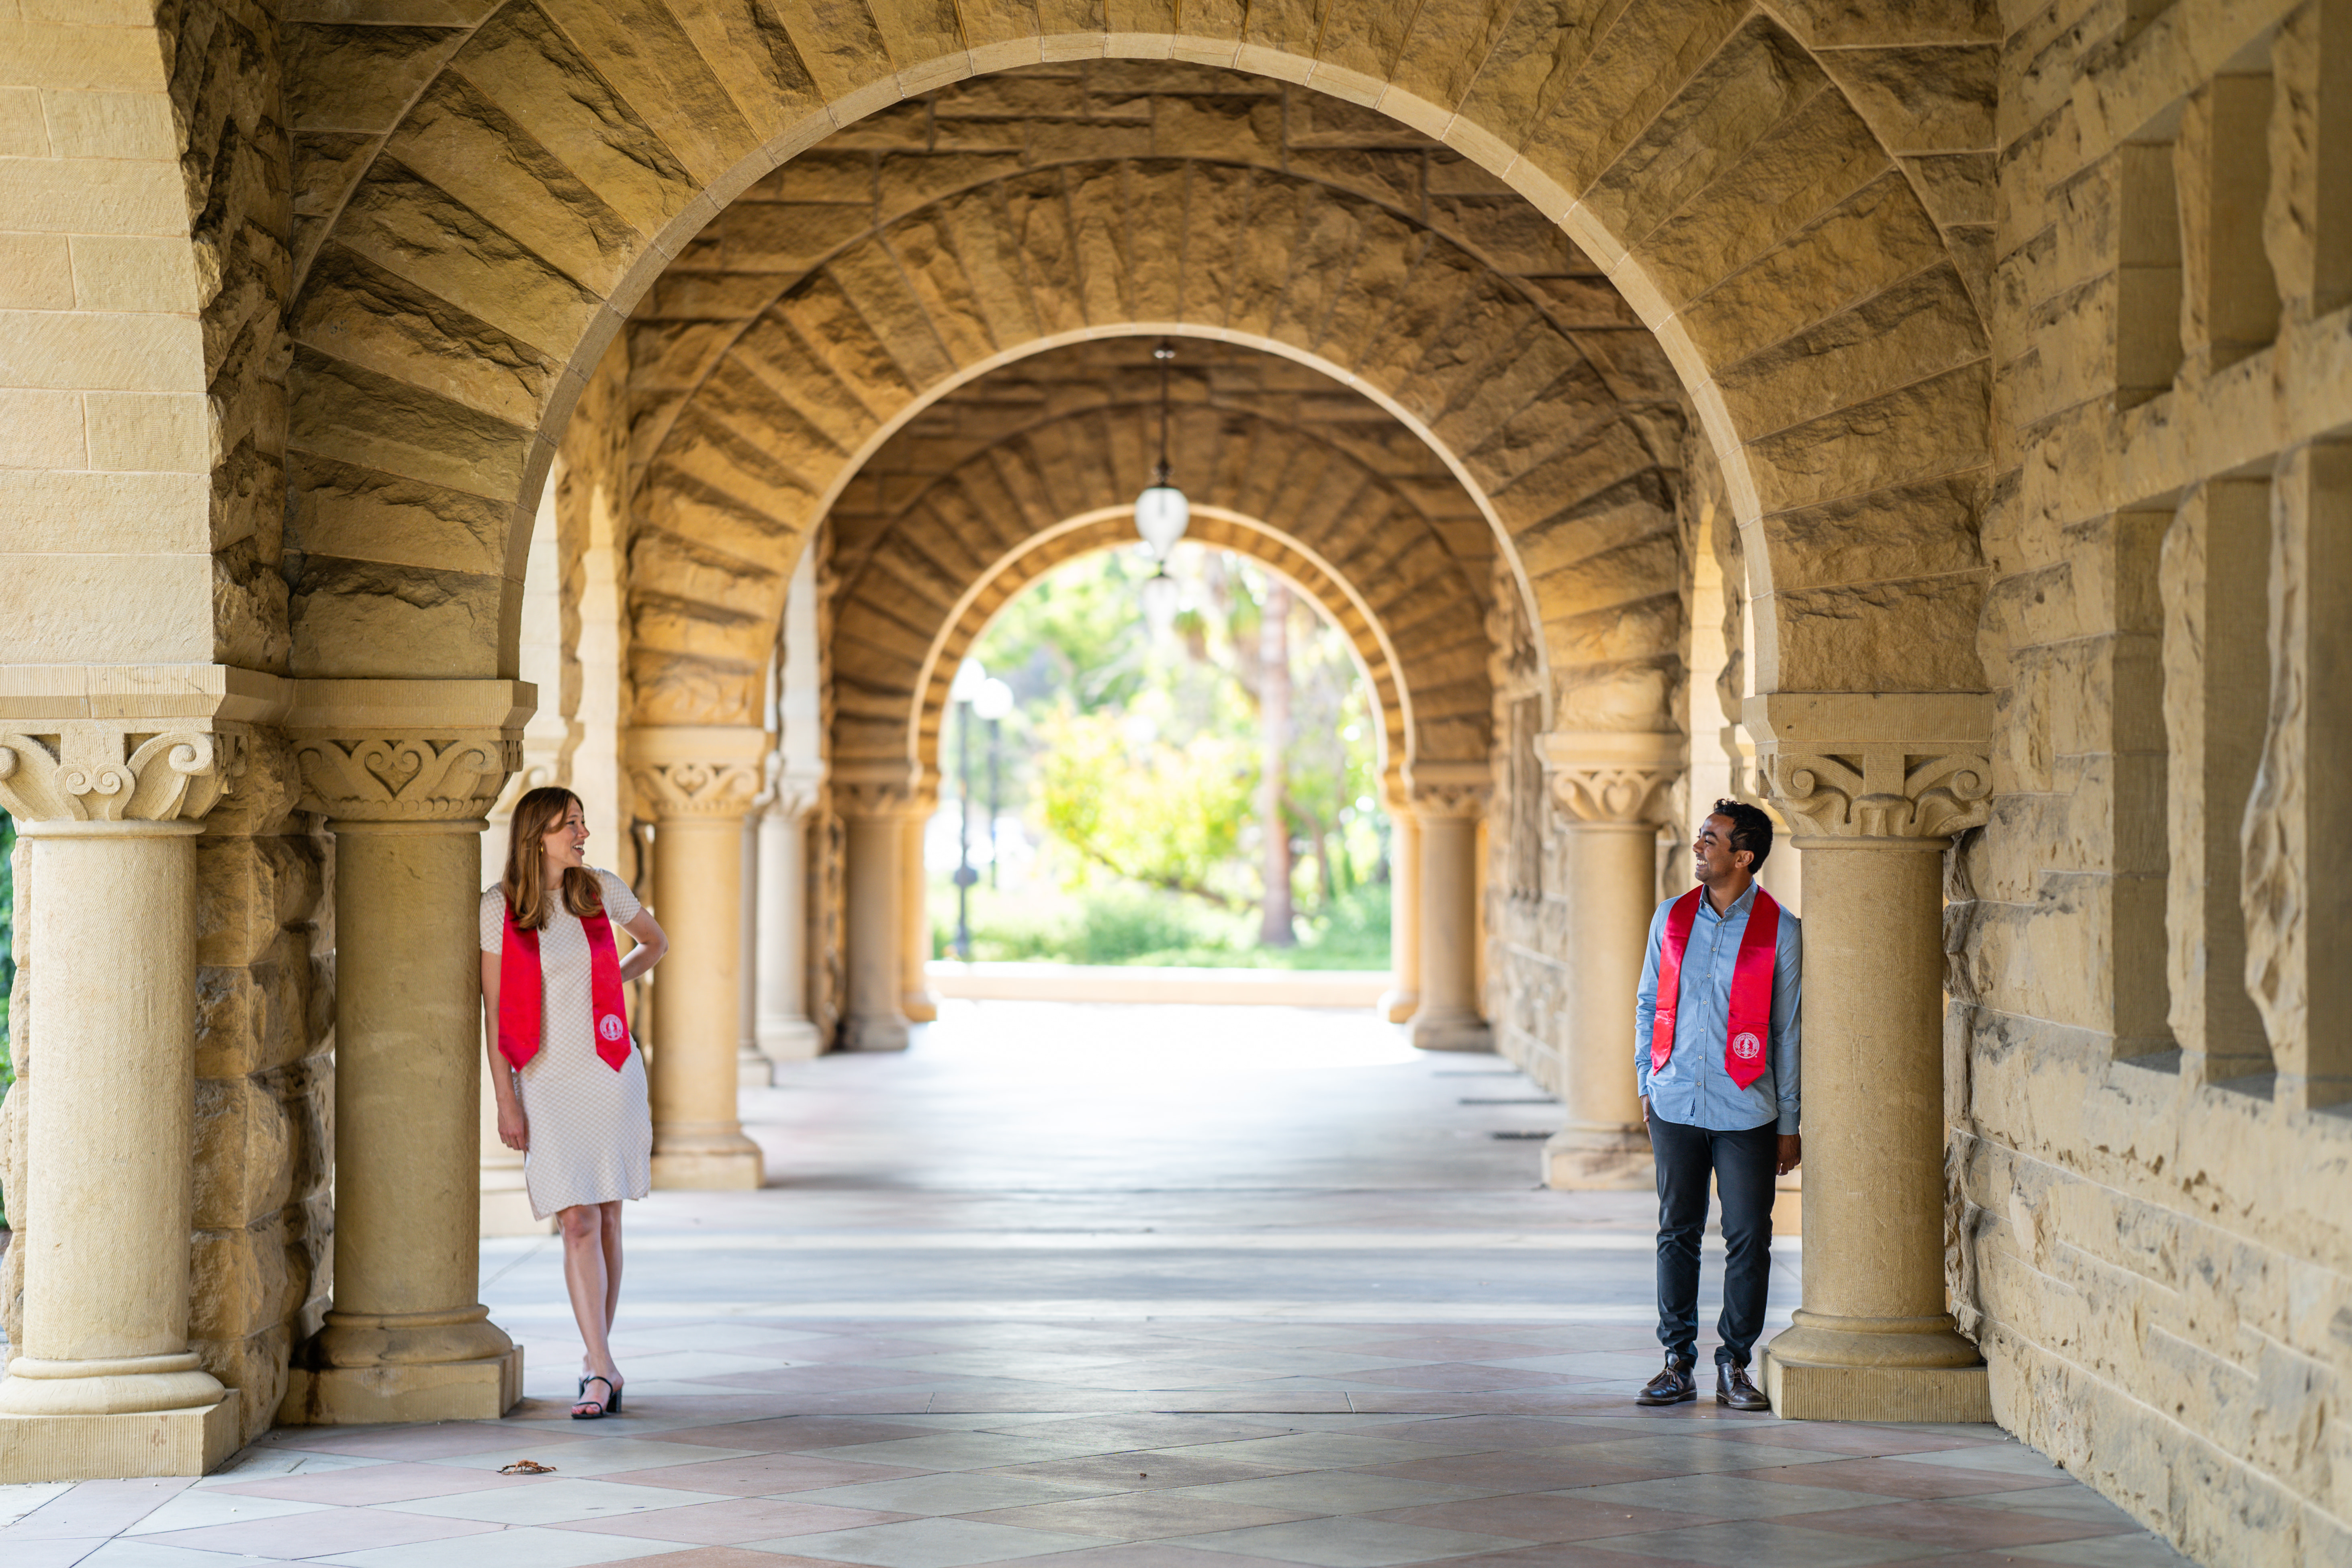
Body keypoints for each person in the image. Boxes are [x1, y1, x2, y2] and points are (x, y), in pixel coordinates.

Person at [480, 787, 669, 1420]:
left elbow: (655, 943)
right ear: (537, 835)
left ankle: (597, 1364)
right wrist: (506, 1101)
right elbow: (494, 1011)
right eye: (570, 826)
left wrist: (611, 980)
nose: (582, 835)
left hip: (609, 1070)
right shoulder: (497, 910)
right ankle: (603, 1363)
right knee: (576, 1219)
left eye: (583, 824)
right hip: (546, 1076)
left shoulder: (600, 890)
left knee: (607, 1215)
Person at [1632, 798, 1800, 1411]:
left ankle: (1734, 1362)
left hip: (1746, 1110)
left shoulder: (1781, 932)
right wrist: (1646, 1081)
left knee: (1748, 1235)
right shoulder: (1671, 919)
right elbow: (1648, 1001)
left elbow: (1786, 1033)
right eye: (1701, 835)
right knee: (1676, 1231)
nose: (1698, 846)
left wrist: (1789, 1123)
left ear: (1743, 856)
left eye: (1711, 838)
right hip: (1675, 1099)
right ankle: (1676, 1363)